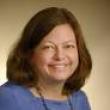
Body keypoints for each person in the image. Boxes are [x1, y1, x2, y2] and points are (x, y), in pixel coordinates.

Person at [0, 7, 92, 110]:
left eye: (68, 46)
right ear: (29, 54)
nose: (60, 56)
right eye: (48, 47)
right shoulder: (9, 98)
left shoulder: (79, 99)